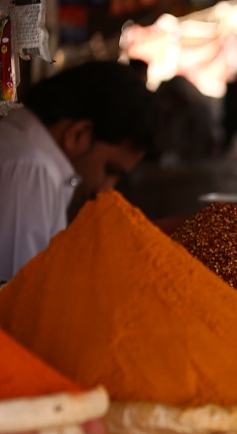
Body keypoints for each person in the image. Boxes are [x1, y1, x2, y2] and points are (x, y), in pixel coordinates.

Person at [0, 61, 156, 281]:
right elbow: (17, 301)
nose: (105, 190)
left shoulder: (23, 146)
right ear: (78, 135)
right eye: (110, 170)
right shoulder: (31, 169)